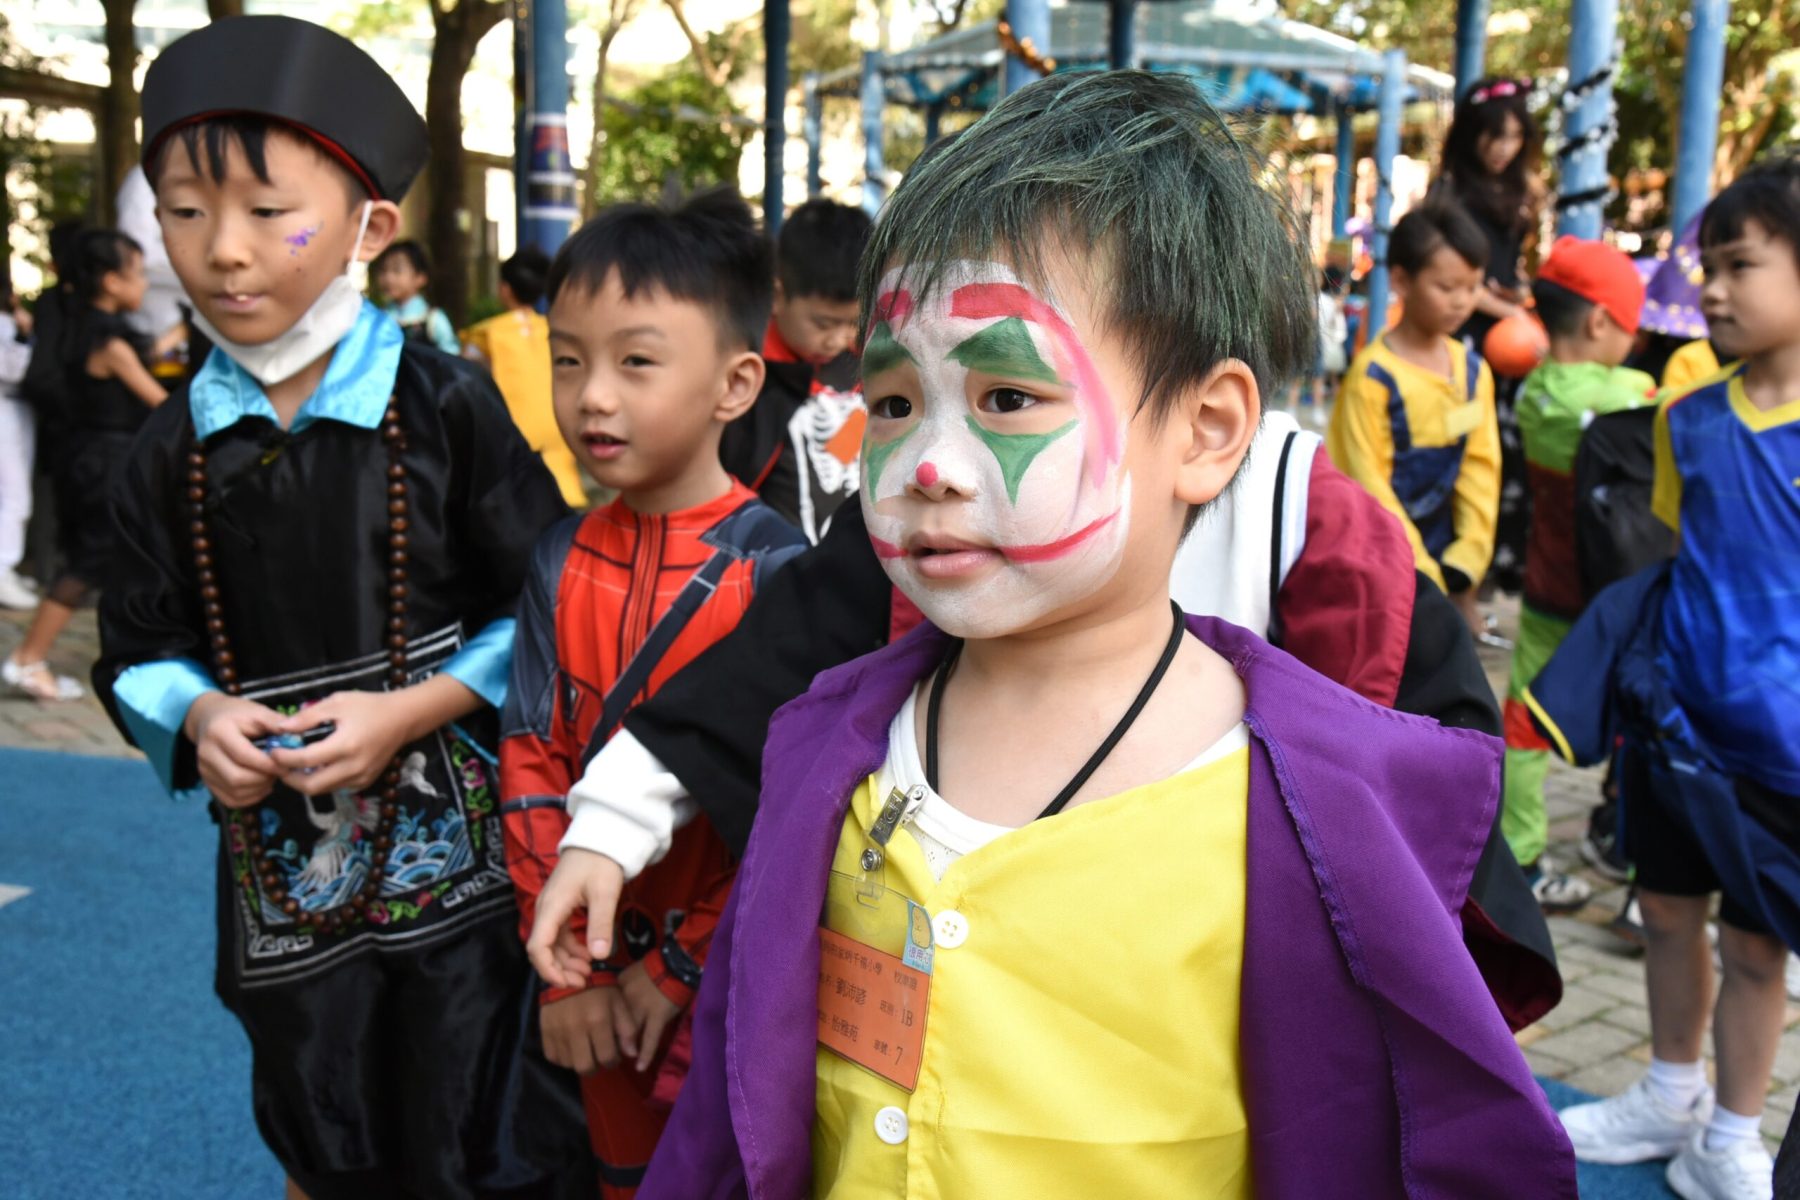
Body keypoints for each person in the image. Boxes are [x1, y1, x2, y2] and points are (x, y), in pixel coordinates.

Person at [536, 71, 1575, 1197]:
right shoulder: (830, 749)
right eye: (895, 404)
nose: (928, 465)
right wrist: (615, 817)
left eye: (1007, 398)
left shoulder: (1311, 809)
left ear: (1208, 427)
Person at [90, 17, 589, 1199]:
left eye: (271, 213)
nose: (223, 250)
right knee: (317, 1112)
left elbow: (549, 595)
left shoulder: (446, 406)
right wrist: (201, 717)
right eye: (184, 212)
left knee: (479, 1121)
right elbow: (139, 644)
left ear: (369, 230)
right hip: (282, 883)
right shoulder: (164, 452)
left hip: (465, 875)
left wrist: (415, 707)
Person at [500, 189, 806, 1198]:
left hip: (728, 978)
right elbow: (532, 758)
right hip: (590, 974)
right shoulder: (558, 557)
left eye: (636, 362)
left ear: (736, 383)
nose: (592, 396)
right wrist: (573, 974)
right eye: (569, 360)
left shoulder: (780, 576)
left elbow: (789, 809)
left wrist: (680, 968)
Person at [1539, 156, 1800, 1200]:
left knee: (1757, 949)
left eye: (1741, 266)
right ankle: (1667, 1090)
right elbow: (1683, 559)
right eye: (1709, 267)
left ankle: (1731, 1133)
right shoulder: (1686, 418)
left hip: (1780, 754)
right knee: (1667, 914)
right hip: (1676, 726)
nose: (1713, 291)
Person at [1499, 237, 1657, 913]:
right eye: (1630, 328)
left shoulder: (1533, 392)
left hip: (1548, 588)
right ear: (1598, 322)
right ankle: (1640, 872)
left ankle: (1520, 853)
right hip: (1619, 598)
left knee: (1524, 723)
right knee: (1645, 726)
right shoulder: (1632, 395)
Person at [5, 230, 167, 700]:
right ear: (111, 281)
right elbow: (161, 404)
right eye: (138, 274)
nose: (144, 283)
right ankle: (27, 657)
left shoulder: (78, 326)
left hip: (87, 457)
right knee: (90, 561)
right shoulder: (110, 343)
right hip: (106, 464)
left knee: (112, 559)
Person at [1327, 204, 1501, 634]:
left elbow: (1481, 469)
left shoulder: (1472, 372)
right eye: (1446, 287)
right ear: (1402, 280)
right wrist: (1424, 575)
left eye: (1473, 287)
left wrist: (1469, 556)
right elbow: (1368, 485)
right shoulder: (1372, 378)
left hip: (1446, 559)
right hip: (1382, 565)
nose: (1462, 301)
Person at [1429, 76, 1547, 596]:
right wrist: (1506, 308)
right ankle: (1456, 565)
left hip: (1510, 336)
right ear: (1472, 132)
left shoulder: (1523, 190)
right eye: (1495, 135)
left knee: (1507, 449)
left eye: (1515, 136)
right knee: (1464, 442)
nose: (1504, 147)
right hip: (1469, 332)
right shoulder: (1449, 191)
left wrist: (1518, 295)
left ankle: (1497, 563)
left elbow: (1510, 265)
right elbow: (1447, 275)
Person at [719, 197, 872, 543]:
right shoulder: (746, 376)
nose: (838, 339)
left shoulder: (862, 366)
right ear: (777, 295)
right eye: (823, 324)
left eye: (852, 323)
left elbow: (841, 452)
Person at [462, 245, 587, 506]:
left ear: (505, 289)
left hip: (512, 441)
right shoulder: (556, 330)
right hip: (559, 434)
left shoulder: (485, 334)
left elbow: (466, 380)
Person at [0, 276, 34, 610]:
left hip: (12, 410)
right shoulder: (5, 324)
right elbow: (12, 370)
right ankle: (3, 568)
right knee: (15, 496)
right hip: (5, 410)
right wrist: (24, 335)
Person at [375, 239, 460, 355]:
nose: (388, 278)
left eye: (397, 270)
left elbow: (450, 358)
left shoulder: (433, 320)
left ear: (420, 278)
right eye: (383, 270)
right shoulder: (378, 317)